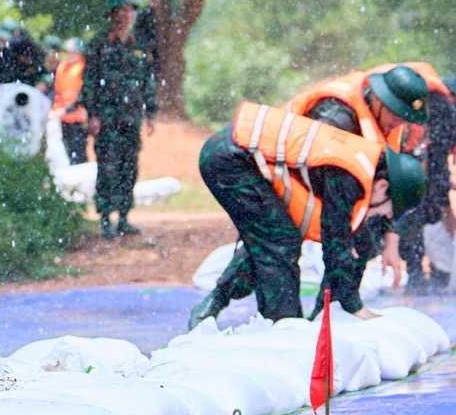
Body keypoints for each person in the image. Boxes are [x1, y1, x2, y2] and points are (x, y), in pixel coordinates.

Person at [188, 102, 425, 329]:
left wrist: (334, 309)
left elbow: (346, 246)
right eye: (386, 210)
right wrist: (353, 306)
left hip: (239, 154)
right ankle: (283, 328)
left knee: (276, 238)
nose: (380, 214)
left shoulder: (367, 164)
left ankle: (219, 304)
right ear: (382, 187)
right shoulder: (349, 175)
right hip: (230, 159)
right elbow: (335, 244)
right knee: (279, 242)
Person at [285, 64, 430, 291]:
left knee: (367, 238)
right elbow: (331, 194)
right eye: (395, 113)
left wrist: (390, 244)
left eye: (404, 117)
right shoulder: (337, 119)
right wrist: (342, 240)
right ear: (379, 100)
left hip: (335, 193)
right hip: (284, 182)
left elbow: (393, 190)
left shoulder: (390, 126)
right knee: (276, 254)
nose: (398, 123)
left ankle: (337, 301)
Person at [359, 64, 455, 294]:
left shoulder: (428, 103)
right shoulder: (443, 109)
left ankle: (422, 278)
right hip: (410, 174)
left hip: (401, 170)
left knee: (420, 211)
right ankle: (421, 280)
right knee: (420, 210)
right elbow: (435, 164)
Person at [81, 0, 157, 239]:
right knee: (107, 166)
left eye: (130, 10)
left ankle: (124, 217)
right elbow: (89, 81)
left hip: (130, 117)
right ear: (112, 14)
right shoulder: (98, 44)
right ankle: (105, 217)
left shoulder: (140, 45)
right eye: (121, 10)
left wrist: (151, 112)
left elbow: (147, 81)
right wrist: (93, 114)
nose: (126, 15)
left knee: (129, 165)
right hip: (106, 117)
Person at [52, 37, 89, 164]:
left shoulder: (84, 68)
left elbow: (84, 94)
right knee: (68, 151)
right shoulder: (62, 68)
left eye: (72, 52)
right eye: (68, 52)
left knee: (78, 153)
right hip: (64, 117)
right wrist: (56, 110)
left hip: (78, 117)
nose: (69, 55)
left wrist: (68, 109)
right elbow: (57, 92)